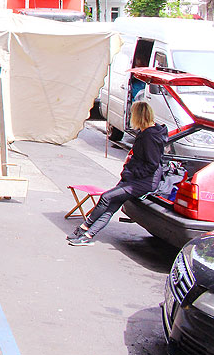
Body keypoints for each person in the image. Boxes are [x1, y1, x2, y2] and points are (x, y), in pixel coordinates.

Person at [68, 101, 166, 246]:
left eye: (133, 113)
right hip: (135, 177)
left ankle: (84, 228)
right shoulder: (147, 132)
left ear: (138, 116)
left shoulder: (150, 136)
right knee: (111, 206)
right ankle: (87, 235)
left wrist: (132, 172)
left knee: (106, 197)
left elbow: (152, 164)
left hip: (143, 181)